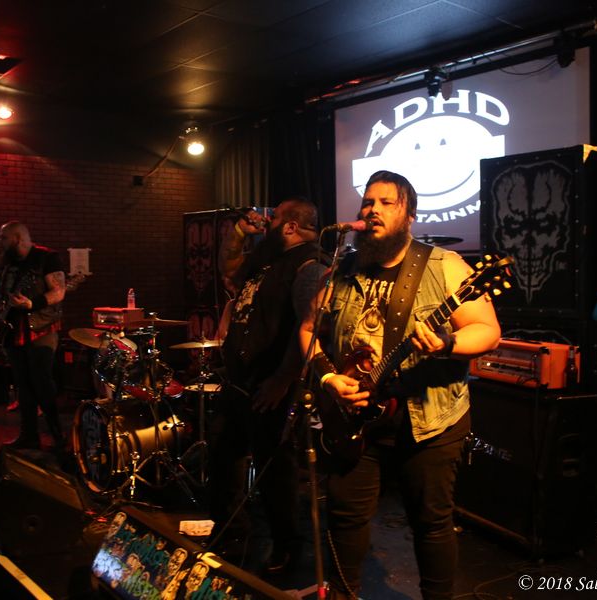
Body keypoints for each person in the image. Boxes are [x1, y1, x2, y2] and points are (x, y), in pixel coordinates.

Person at [299, 171, 501, 600]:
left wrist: (447, 343)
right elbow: (308, 329)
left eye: (386, 202)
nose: (372, 210)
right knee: (344, 516)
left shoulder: (444, 266)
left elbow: (487, 331)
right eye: (367, 202)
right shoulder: (343, 269)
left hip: (429, 421)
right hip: (354, 415)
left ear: (409, 214)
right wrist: (329, 377)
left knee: (431, 523)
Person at [208, 198, 328, 574]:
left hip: (270, 383)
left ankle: (287, 547)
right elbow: (228, 268)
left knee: (275, 469)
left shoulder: (309, 265)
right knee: (222, 456)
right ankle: (233, 534)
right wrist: (239, 232)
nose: (267, 223)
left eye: (274, 219)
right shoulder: (267, 258)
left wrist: (282, 379)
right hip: (241, 380)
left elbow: (309, 326)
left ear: (290, 226)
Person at [0, 221, 67, 450]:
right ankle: (29, 435)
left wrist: (32, 303)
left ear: (17, 238)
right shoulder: (5, 261)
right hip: (12, 330)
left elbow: (59, 291)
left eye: (3, 237)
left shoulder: (46, 258)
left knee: (42, 382)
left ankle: (58, 436)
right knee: (22, 384)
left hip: (40, 329)